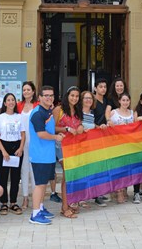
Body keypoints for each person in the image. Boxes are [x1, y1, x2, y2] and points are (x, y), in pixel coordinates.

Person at [28, 86, 65, 225]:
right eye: (46, 95)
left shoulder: (47, 111)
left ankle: (41, 207)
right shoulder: (38, 113)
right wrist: (56, 137)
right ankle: (35, 214)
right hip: (39, 155)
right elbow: (41, 134)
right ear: (40, 97)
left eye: (51, 95)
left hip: (47, 155)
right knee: (40, 184)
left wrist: (57, 134)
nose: (49, 98)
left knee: (44, 184)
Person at [54, 86, 84, 217]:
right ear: (67, 96)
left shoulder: (78, 110)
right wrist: (66, 128)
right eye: (72, 95)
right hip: (61, 146)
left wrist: (81, 126)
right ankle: (65, 208)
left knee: (72, 175)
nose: (74, 98)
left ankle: (67, 204)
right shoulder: (58, 109)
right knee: (67, 175)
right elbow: (53, 128)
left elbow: (80, 124)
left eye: (77, 96)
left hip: (75, 146)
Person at [0, 93, 25, 215]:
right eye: (8, 100)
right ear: (5, 103)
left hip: (16, 148)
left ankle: (13, 202)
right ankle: (3, 203)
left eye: (13, 100)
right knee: (3, 178)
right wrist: (3, 151)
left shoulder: (19, 116)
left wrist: (21, 148)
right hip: (3, 148)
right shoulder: (0, 117)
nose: (11, 102)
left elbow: (23, 134)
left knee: (15, 178)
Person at [108, 92, 137, 203]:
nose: (125, 102)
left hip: (129, 146)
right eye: (123, 100)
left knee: (126, 169)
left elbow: (136, 126)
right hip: (116, 146)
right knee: (118, 169)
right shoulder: (113, 112)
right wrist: (109, 122)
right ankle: (118, 191)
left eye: (127, 100)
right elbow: (107, 124)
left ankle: (124, 189)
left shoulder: (132, 113)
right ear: (119, 101)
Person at [18, 81, 38, 210]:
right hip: (21, 141)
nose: (26, 92)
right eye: (24, 90)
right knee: (24, 169)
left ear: (33, 91)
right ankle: (25, 197)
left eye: (28, 90)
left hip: (35, 141)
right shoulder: (18, 105)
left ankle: (36, 196)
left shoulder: (37, 105)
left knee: (34, 169)